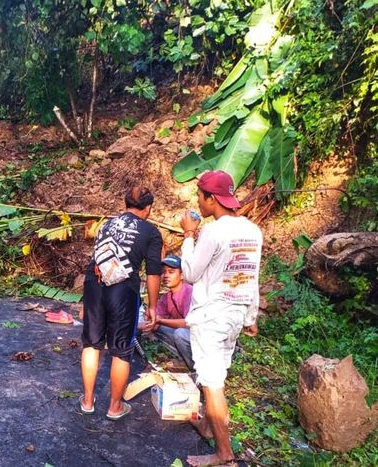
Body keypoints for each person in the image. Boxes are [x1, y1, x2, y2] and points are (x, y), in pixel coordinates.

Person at [179, 170, 263, 467]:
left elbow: (189, 273)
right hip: (235, 315)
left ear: (211, 199)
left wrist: (189, 234)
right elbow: (252, 277)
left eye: (200, 197)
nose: (198, 204)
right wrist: (251, 315)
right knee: (214, 375)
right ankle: (206, 426)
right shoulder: (253, 230)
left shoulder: (212, 232)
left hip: (212, 317)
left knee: (212, 383)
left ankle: (224, 454)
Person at [80, 187, 163, 420]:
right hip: (123, 290)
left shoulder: (106, 224)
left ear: (125, 203)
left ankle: (87, 401)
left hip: (94, 284)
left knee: (91, 344)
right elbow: (154, 272)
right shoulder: (151, 232)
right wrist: (153, 306)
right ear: (148, 208)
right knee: (120, 350)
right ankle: (114, 407)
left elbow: (97, 259)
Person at [141, 254, 194, 371]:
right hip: (186, 336)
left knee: (180, 334)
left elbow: (188, 323)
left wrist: (159, 320)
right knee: (157, 330)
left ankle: (196, 369)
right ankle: (182, 358)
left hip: (200, 336)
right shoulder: (166, 297)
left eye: (171, 272)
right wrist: (150, 321)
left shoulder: (189, 292)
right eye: (164, 272)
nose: (165, 276)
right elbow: (155, 321)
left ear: (182, 275)